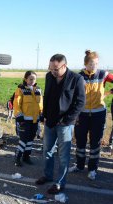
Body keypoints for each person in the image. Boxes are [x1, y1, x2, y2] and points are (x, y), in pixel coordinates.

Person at [36, 54, 85, 194]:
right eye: (50, 68)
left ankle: (60, 182)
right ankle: (47, 175)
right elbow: (47, 96)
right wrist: (44, 115)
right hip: (49, 121)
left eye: (55, 69)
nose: (53, 72)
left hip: (65, 123)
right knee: (47, 151)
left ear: (64, 66)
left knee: (63, 155)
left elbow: (80, 102)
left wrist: (68, 120)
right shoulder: (49, 76)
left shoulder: (76, 79)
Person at [69, 50, 113, 180]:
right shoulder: (79, 76)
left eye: (96, 64)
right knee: (80, 141)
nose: (94, 66)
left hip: (98, 114)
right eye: (92, 64)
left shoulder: (102, 74)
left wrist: (109, 92)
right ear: (86, 64)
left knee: (95, 142)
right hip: (81, 114)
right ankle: (79, 165)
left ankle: (93, 169)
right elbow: (73, 95)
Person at [13, 71, 43, 166]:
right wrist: (19, 117)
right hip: (24, 120)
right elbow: (16, 104)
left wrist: (41, 114)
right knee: (23, 139)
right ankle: (18, 157)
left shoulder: (38, 90)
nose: (32, 81)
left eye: (34, 79)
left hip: (35, 120)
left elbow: (41, 104)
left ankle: (26, 157)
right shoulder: (20, 89)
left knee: (30, 139)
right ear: (26, 79)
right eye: (30, 79)